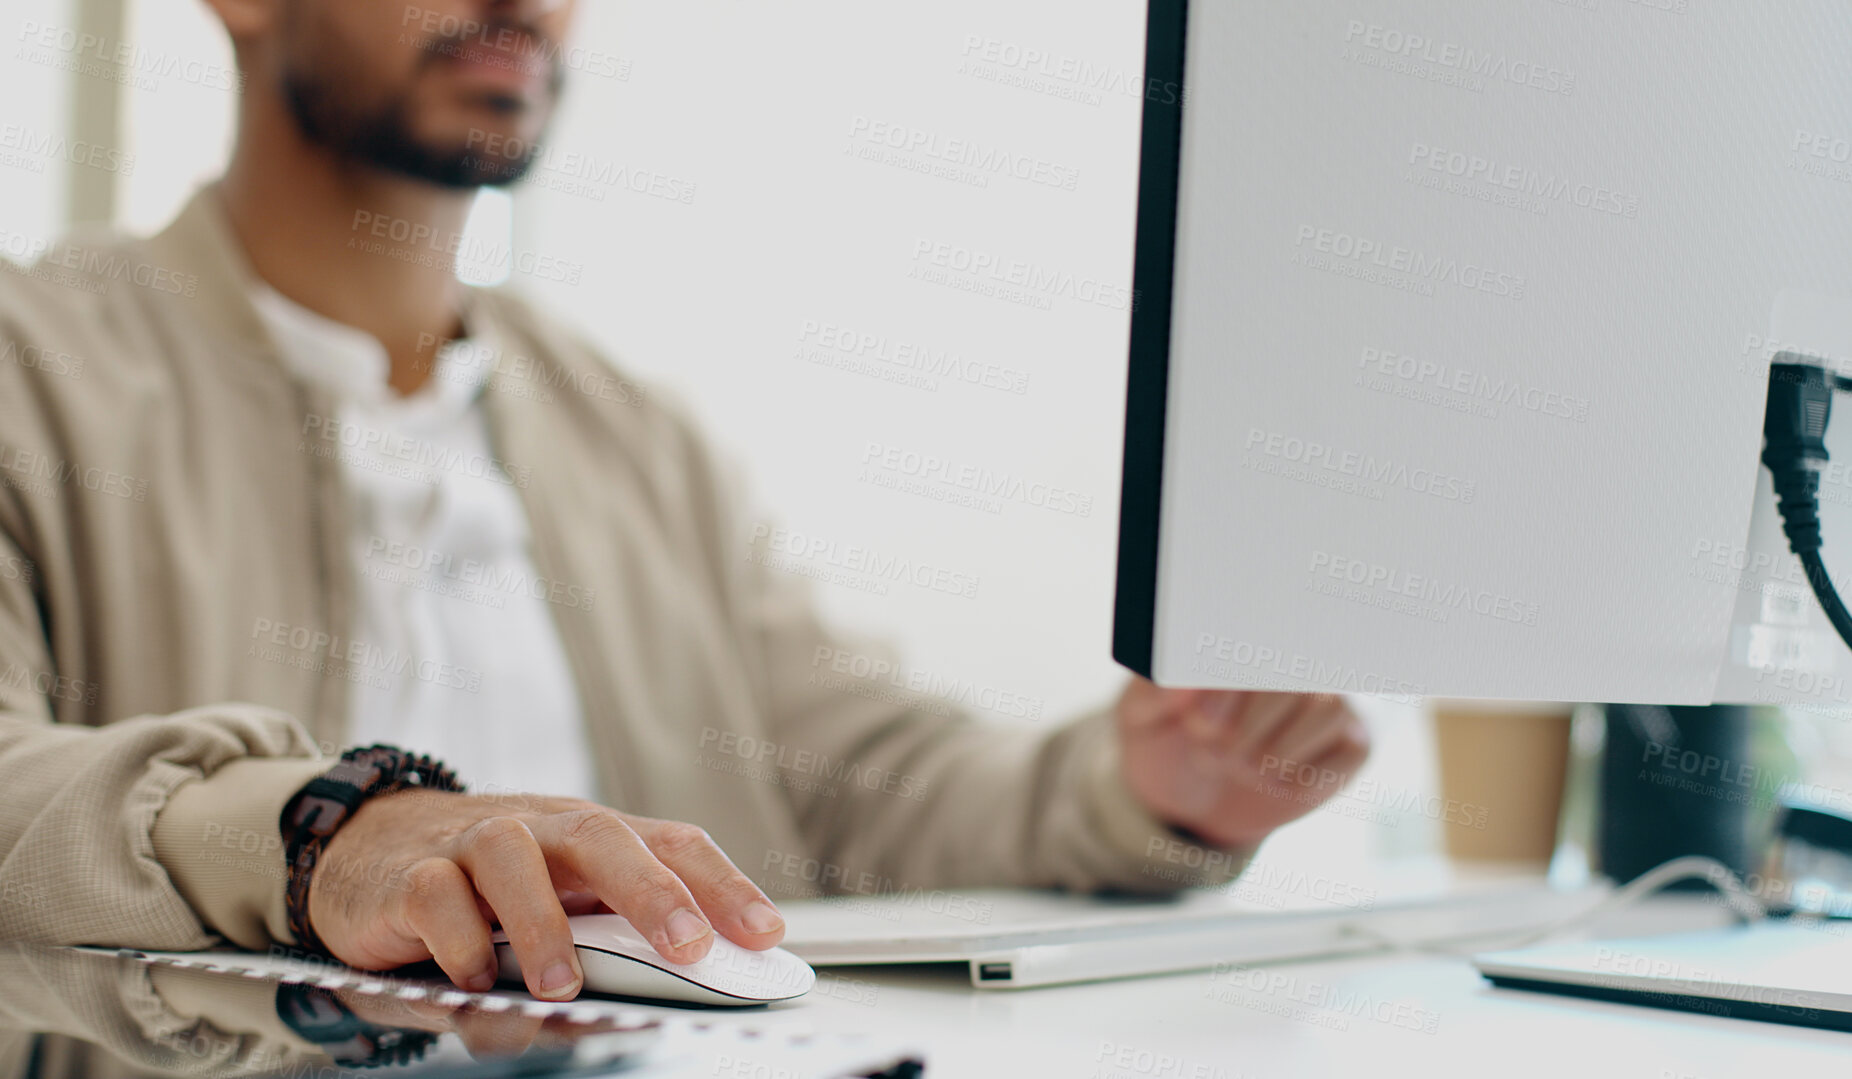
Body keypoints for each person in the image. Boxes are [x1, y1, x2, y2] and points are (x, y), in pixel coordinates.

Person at [0, 0, 1369, 1002]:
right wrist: (329, 834)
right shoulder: (32, 371)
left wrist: (1145, 790)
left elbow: (856, 792)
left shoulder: (633, 434)